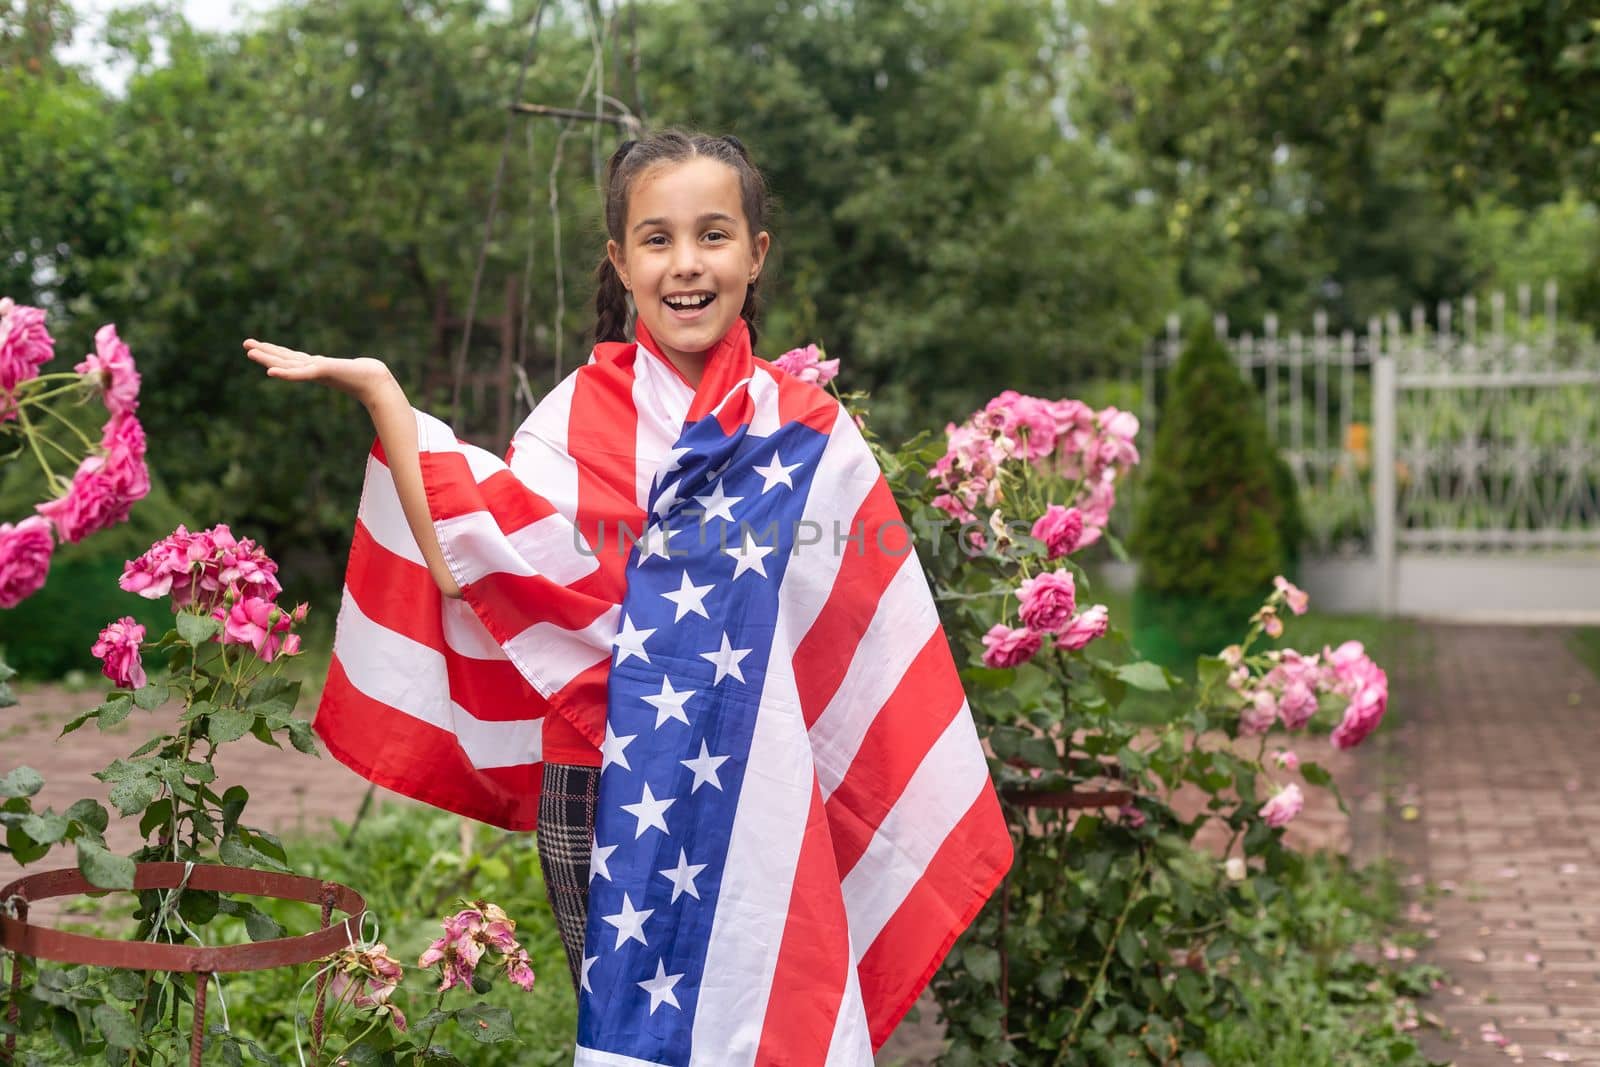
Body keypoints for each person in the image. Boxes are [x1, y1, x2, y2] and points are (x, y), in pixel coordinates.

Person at [246, 129, 1009, 1065]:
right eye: (656, 238)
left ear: (756, 254)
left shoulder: (811, 433)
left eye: (713, 234)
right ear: (620, 259)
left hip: (766, 783)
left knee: (769, 1012)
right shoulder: (573, 418)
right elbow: (469, 561)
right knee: (636, 1038)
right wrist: (385, 396)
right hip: (603, 791)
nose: (686, 265)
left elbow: (866, 637)